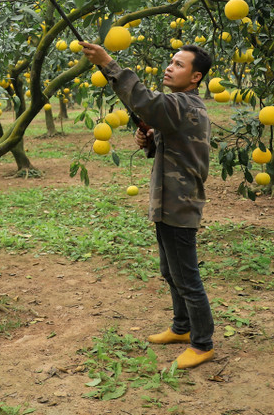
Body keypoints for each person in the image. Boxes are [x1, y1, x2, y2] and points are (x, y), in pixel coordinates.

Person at [81, 41, 215, 370]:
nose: (170, 67)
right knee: (171, 272)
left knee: (187, 277)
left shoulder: (183, 104)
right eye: (170, 62)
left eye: (179, 65)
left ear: (196, 77)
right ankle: (182, 328)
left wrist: (108, 64)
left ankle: (203, 343)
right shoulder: (182, 107)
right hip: (168, 201)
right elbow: (178, 148)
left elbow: (145, 102)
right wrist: (153, 140)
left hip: (179, 205)